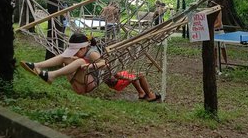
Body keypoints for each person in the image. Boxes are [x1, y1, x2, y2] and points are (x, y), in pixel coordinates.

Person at [20, 33, 161, 100]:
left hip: (92, 84)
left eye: (77, 50)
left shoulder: (92, 53)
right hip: (81, 82)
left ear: (84, 48)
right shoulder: (83, 52)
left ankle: (148, 94)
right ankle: (36, 65)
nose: (75, 53)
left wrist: (89, 66)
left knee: (137, 74)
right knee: (66, 58)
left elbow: (105, 64)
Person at [208, 1, 228, 70]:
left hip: (220, 31)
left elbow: (219, 23)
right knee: (214, 49)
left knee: (223, 47)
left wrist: (210, 27)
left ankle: (226, 63)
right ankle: (215, 64)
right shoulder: (210, 12)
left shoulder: (219, 11)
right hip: (213, 32)